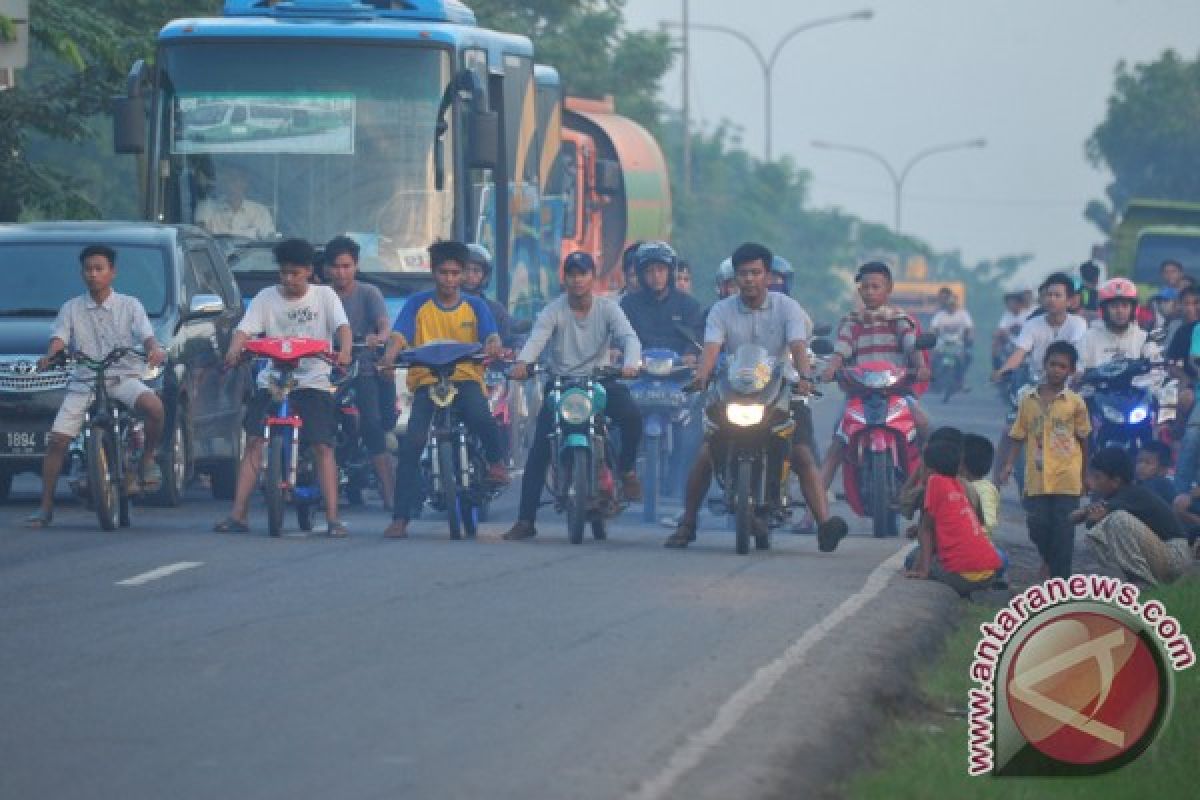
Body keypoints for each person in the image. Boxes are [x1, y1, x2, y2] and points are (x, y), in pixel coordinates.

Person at [665, 242, 848, 551]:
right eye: (743, 274)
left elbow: (799, 346)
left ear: (768, 276)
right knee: (705, 454)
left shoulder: (787, 307)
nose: (749, 279)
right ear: (734, 278)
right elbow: (711, 349)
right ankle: (688, 523)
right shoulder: (720, 311)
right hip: (732, 391)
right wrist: (701, 376)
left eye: (756, 273)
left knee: (802, 454)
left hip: (780, 392)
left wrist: (804, 378)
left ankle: (824, 524)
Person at [214, 239, 352, 536]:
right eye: (284, 273)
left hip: (312, 381)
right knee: (253, 442)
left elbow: (343, 328)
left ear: (309, 272)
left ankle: (332, 518)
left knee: (322, 446)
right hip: (273, 381)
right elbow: (244, 330)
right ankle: (238, 515)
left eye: (295, 274)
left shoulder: (325, 296)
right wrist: (234, 349)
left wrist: (344, 351)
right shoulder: (265, 297)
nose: (288, 280)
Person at [502, 252, 643, 541]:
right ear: (564, 278)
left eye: (583, 273)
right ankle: (525, 520)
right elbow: (536, 340)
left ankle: (627, 470)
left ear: (593, 277)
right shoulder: (552, 311)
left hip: (600, 380)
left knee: (631, 417)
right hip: (561, 383)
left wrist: (630, 364)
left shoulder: (608, 309)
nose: (577, 280)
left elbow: (629, 338)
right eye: (572, 274)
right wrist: (523, 364)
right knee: (539, 448)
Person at [25, 245, 167, 528]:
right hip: (84, 381)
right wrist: (51, 355)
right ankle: (46, 507)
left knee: (155, 407)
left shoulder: (130, 305)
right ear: (82, 274)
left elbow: (147, 336)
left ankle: (148, 458)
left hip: (123, 377)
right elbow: (59, 339)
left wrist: (154, 350)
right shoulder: (71, 308)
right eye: (88, 269)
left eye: (99, 269)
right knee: (57, 441)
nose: (93, 275)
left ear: (112, 273)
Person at [380, 240, 508, 539]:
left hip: (465, 378)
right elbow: (399, 335)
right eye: (443, 273)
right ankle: (401, 517)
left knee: (481, 417)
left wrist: (494, 346)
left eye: (455, 273)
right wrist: (388, 357)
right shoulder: (417, 303)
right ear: (433, 272)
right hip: (427, 380)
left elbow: (491, 336)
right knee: (412, 442)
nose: (449, 279)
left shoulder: (475, 305)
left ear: (463, 274)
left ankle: (496, 462)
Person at [819, 261, 930, 492]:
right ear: (859, 290)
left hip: (897, 394)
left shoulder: (900, 320)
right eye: (865, 287)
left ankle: (930, 489)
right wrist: (830, 368)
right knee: (838, 442)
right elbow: (842, 350)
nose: (870, 292)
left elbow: (912, 347)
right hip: (860, 396)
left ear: (888, 288)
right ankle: (813, 512)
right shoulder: (852, 321)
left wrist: (921, 367)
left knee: (923, 425)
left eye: (875, 287)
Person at [997, 341, 1091, 579]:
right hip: (1036, 477)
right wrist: (1008, 465)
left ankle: (1062, 584)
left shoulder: (1075, 403)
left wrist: (1084, 475)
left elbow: (1083, 439)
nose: (1057, 370)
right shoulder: (1028, 399)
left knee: (1064, 531)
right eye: (1053, 364)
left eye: (1063, 366)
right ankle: (1049, 561)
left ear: (1070, 371)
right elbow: (1018, 435)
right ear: (1044, 365)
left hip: (1067, 476)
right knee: (1037, 526)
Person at [324, 235, 396, 511]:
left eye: (347, 266)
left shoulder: (369, 293)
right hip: (327, 367)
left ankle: (390, 495)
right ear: (327, 269)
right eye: (336, 267)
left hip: (363, 367)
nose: (341, 272)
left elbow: (384, 323)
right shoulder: (321, 294)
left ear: (355, 266)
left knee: (372, 426)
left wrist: (379, 336)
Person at [1075, 447, 1191, 586]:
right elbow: (1082, 519)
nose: (1091, 482)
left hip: (1175, 554)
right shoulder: (1112, 496)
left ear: (1116, 481)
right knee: (1098, 531)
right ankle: (1132, 580)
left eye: (1097, 477)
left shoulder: (1133, 493)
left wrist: (1085, 514)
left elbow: (1092, 516)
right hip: (1161, 552)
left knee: (1117, 519)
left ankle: (1142, 582)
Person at [904, 438, 1004, 596]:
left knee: (913, 560)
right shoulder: (960, 485)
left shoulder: (934, 482)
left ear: (929, 470)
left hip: (966, 576)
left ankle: (961, 586)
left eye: (921, 468)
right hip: (990, 572)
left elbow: (926, 530)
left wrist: (923, 570)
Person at [992, 272, 1087, 384]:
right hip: (1037, 384)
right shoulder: (1031, 324)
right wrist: (1002, 371)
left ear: (1069, 301)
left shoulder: (1078, 323)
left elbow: (1075, 351)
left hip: (1069, 385)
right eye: (1049, 295)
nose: (1052, 299)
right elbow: (1019, 353)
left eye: (1057, 295)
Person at [620, 241, 704, 359]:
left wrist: (691, 353)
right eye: (649, 271)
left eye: (661, 269)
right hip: (638, 371)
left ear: (670, 272)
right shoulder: (628, 305)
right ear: (641, 275)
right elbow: (620, 338)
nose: (656, 276)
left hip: (680, 371)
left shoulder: (689, 305)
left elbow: (697, 337)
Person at [1079, 277, 1157, 370]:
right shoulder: (1089, 338)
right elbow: (1079, 370)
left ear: (1133, 310)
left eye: (1125, 306)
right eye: (1114, 306)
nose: (1120, 311)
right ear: (1104, 310)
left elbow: (1156, 370)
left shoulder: (1143, 338)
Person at [195, 166, 275, 238]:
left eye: (240, 179)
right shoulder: (206, 208)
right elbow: (200, 238)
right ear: (224, 182)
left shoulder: (260, 211)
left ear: (246, 183)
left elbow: (269, 241)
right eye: (231, 179)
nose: (235, 184)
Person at [463, 243, 516, 347]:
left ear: (485, 275)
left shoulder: (496, 310)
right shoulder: (445, 306)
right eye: (466, 269)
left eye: (476, 270)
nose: (470, 275)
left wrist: (517, 347)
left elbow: (511, 339)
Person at [930, 286, 974, 383]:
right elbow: (933, 328)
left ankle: (962, 379)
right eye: (950, 304)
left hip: (958, 342)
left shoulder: (963, 314)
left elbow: (969, 328)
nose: (952, 306)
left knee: (967, 357)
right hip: (942, 343)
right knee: (932, 356)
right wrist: (932, 336)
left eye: (953, 304)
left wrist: (969, 337)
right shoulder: (940, 315)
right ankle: (931, 378)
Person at [963, 433, 999, 537]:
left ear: (963, 466)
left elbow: (988, 523)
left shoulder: (985, 490)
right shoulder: (959, 484)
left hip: (976, 546)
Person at [992, 289, 1031, 369]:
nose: (1010, 304)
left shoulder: (1027, 314)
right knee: (995, 343)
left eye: (1013, 302)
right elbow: (1001, 330)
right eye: (1009, 302)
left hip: (1024, 344)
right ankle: (997, 370)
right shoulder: (1007, 315)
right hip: (1009, 343)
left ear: (1019, 302)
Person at [1135, 441, 1176, 505]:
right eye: (1139, 461)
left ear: (1163, 470)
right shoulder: (1138, 481)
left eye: (1147, 463)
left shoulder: (1160, 483)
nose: (1141, 466)